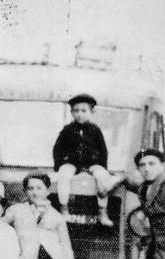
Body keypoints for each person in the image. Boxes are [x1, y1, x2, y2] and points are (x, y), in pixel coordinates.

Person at [52, 94, 123, 226]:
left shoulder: (95, 130)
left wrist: (102, 168)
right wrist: (59, 165)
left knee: (102, 177)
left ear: (92, 112)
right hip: (72, 163)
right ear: (71, 112)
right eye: (76, 110)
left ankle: (102, 211)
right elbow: (57, 148)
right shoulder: (67, 130)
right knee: (64, 174)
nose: (79, 114)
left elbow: (103, 150)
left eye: (84, 111)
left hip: (92, 163)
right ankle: (64, 208)